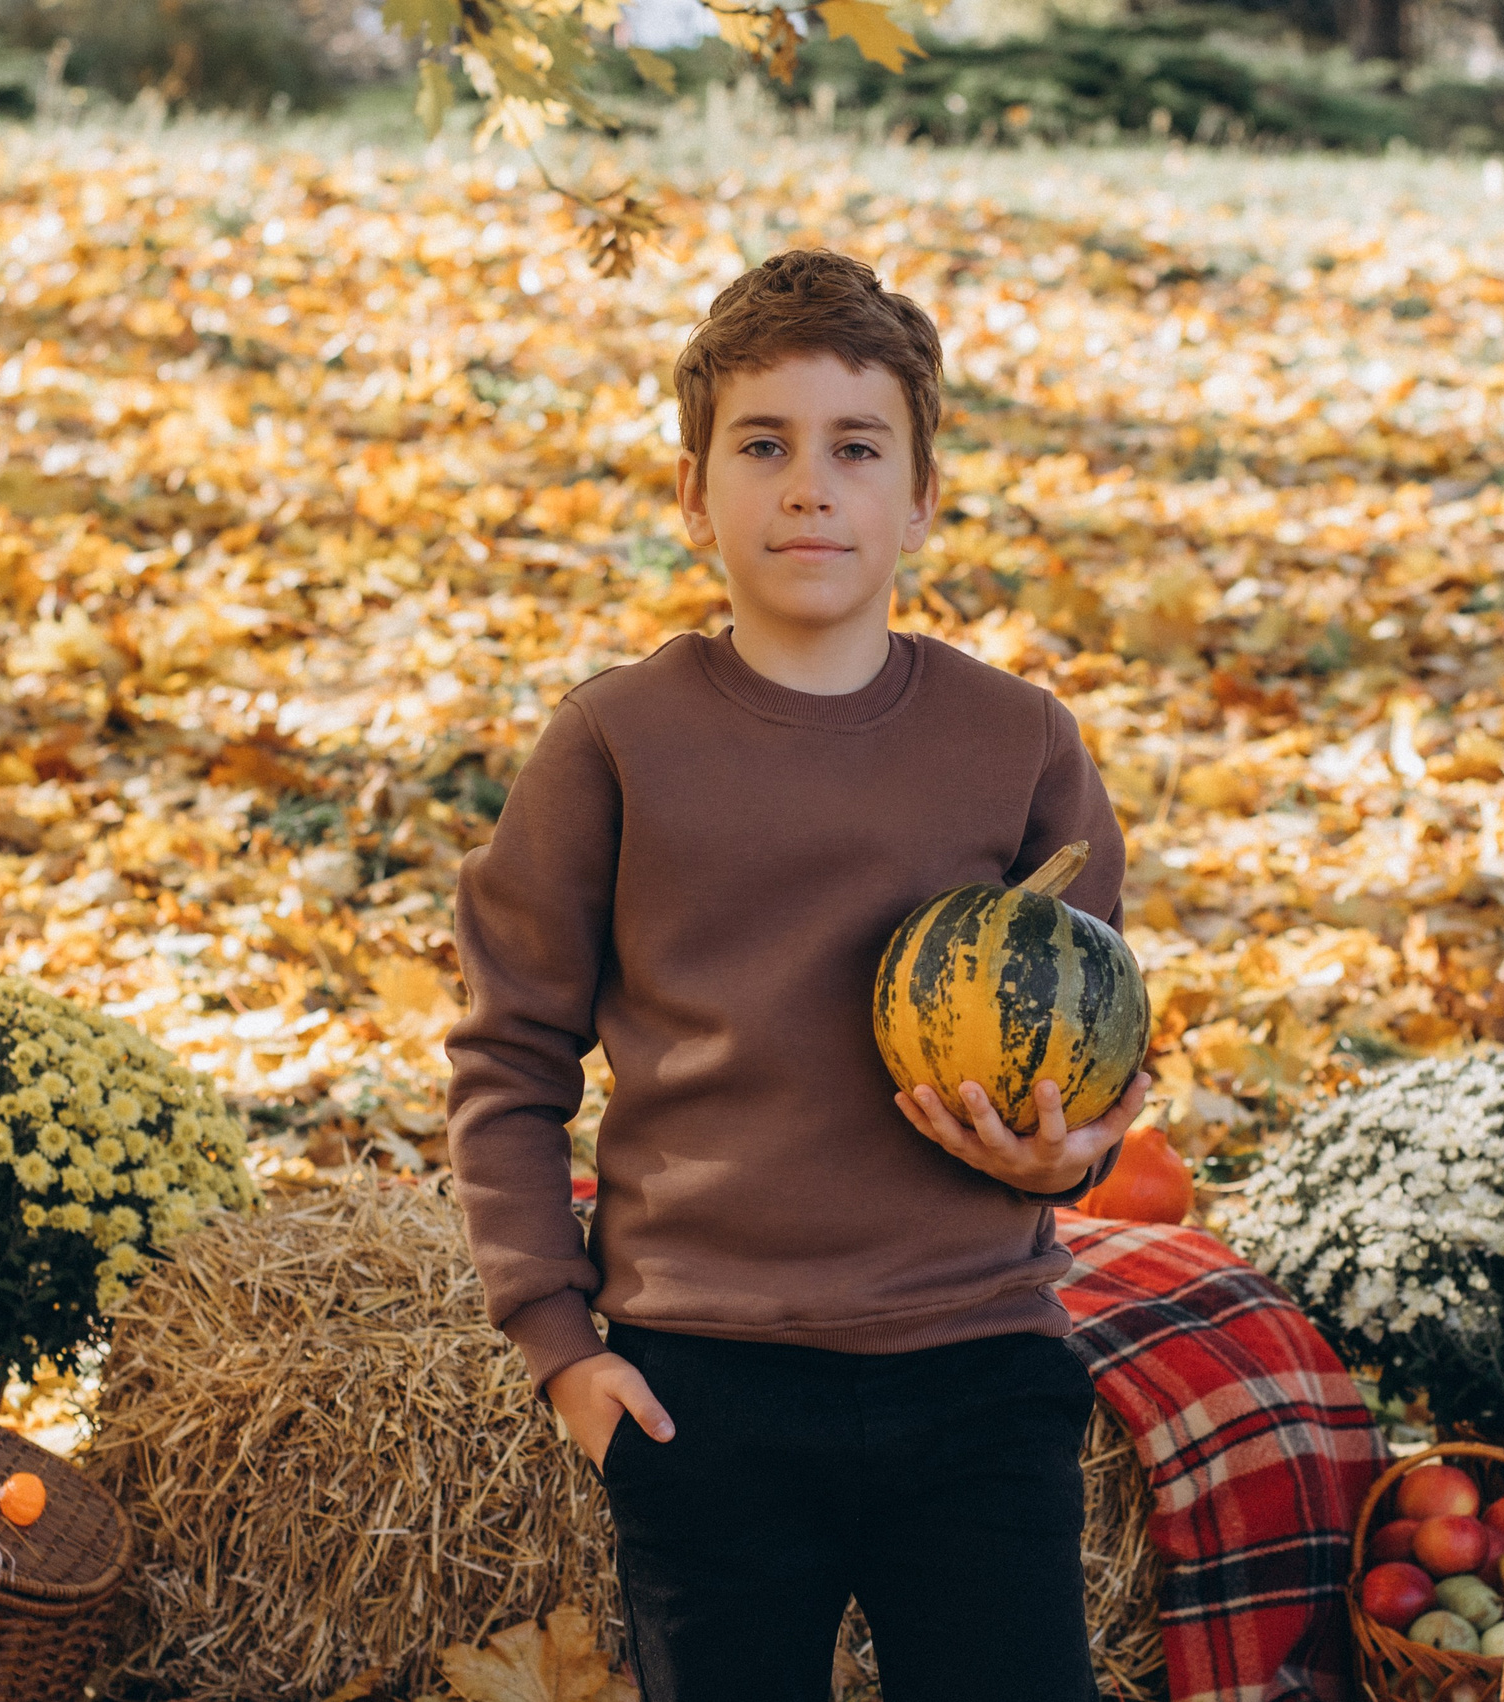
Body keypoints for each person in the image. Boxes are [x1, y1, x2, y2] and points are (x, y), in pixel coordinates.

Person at [445, 247, 1150, 1702]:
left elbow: (1098, 1042)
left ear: (921, 494)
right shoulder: (615, 744)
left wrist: (1076, 1153)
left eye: (855, 447)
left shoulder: (1019, 742)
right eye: (761, 445)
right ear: (695, 493)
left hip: (975, 1361)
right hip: (705, 1380)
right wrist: (561, 1345)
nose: (808, 486)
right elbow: (509, 1059)